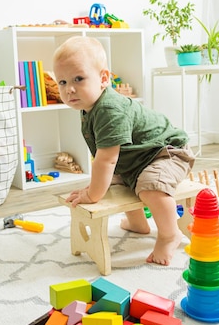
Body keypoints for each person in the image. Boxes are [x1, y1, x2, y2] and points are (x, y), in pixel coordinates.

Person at [52, 36, 195, 266]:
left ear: (103, 78)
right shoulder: (89, 106)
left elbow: (106, 160)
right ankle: (138, 223)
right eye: (62, 82)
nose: (69, 89)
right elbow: (107, 160)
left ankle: (170, 234)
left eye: (78, 79)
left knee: (151, 187)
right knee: (119, 180)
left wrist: (92, 194)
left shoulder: (109, 109)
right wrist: (96, 186)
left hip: (167, 152)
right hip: (139, 158)